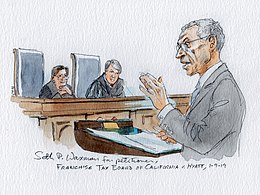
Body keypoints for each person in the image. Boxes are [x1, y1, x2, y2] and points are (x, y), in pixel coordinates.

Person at [139, 18, 246, 160]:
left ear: (211, 43)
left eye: (187, 44)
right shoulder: (208, 84)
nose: (179, 55)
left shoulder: (225, 87)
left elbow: (204, 141)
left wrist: (164, 107)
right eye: (179, 47)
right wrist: (178, 138)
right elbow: (197, 132)